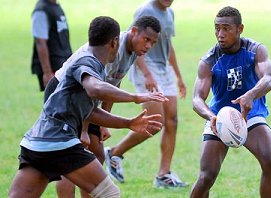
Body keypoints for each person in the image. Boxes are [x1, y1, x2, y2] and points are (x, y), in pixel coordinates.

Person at [8, 16, 168, 198]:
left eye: (152, 43)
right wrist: (135, 97)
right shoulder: (88, 61)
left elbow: (94, 105)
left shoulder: (114, 58)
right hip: (60, 137)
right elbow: (95, 90)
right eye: (147, 40)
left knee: (95, 154)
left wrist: (127, 123)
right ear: (115, 41)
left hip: (36, 141)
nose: (148, 46)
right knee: (108, 192)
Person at [190, 6, 271, 198]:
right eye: (217, 28)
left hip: (251, 114)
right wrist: (211, 117)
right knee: (207, 177)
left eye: (226, 28)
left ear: (240, 29)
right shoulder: (208, 60)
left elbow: (268, 79)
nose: (220, 34)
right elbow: (197, 99)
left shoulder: (255, 50)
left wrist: (250, 95)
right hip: (219, 116)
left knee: (270, 159)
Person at [105, 0, 187, 188]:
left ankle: (163, 175)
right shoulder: (145, 10)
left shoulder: (170, 13)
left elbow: (168, 46)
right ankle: (115, 153)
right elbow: (134, 43)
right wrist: (147, 74)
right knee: (156, 122)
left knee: (172, 121)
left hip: (163, 69)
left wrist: (179, 76)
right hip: (146, 67)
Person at [31, 0, 72, 91]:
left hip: (63, 63)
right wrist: (47, 73)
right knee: (57, 102)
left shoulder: (55, 6)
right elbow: (40, 42)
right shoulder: (41, 10)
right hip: (53, 66)